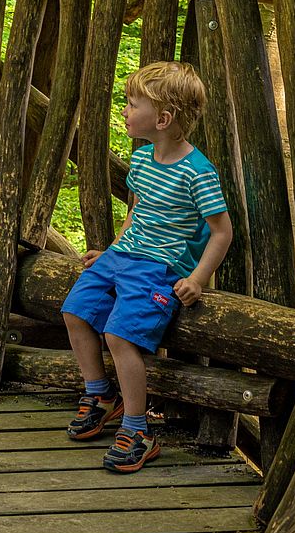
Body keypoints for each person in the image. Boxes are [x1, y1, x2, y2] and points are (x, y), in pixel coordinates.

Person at [62, 61, 231, 473]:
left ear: (163, 119)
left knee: (119, 335)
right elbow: (136, 213)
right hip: (125, 255)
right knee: (75, 311)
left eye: (132, 104)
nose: (124, 111)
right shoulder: (141, 160)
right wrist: (112, 251)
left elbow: (222, 232)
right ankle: (101, 394)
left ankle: (138, 430)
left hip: (160, 267)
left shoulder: (197, 173)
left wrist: (197, 278)